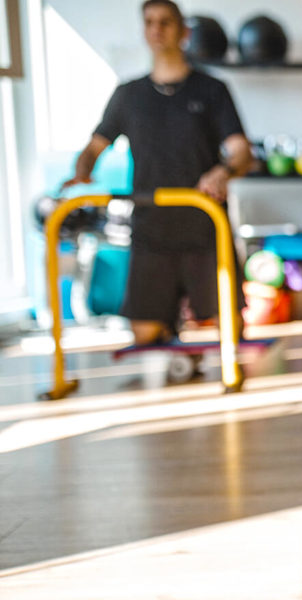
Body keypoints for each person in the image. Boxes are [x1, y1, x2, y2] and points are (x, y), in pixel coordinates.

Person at [62, 0, 252, 346]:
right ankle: (174, 329)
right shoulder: (128, 95)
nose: (157, 29)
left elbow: (241, 151)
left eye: (165, 22)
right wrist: (82, 172)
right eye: (149, 22)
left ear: (183, 32)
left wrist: (223, 172)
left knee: (230, 331)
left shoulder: (212, 90)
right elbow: (94, 147)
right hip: (152, 229)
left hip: (204, 225)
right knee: (145, 335)